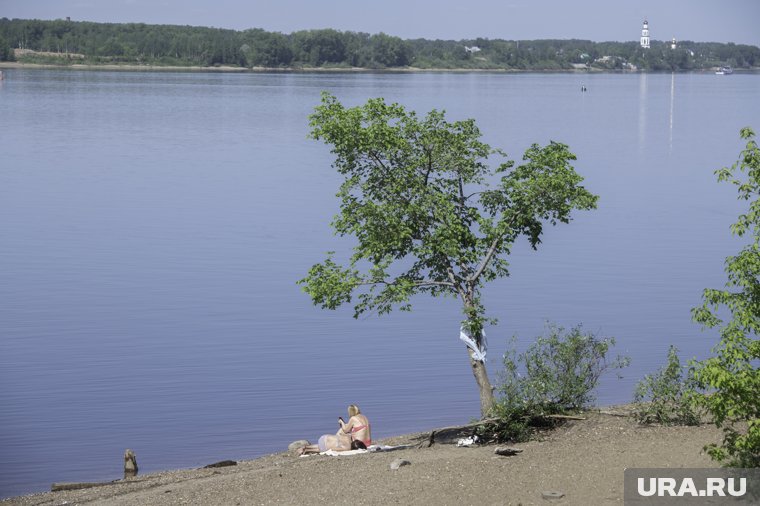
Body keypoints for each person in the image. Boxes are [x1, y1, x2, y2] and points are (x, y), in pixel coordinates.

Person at [298, 404, 371, 455]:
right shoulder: (364, 417)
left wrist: (341, 422)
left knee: (341, 432)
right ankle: (307, 448)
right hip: (367, 442)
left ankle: (306, 448)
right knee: (325, 445)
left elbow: (345, 430)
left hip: (358, 442)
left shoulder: (353, 418)